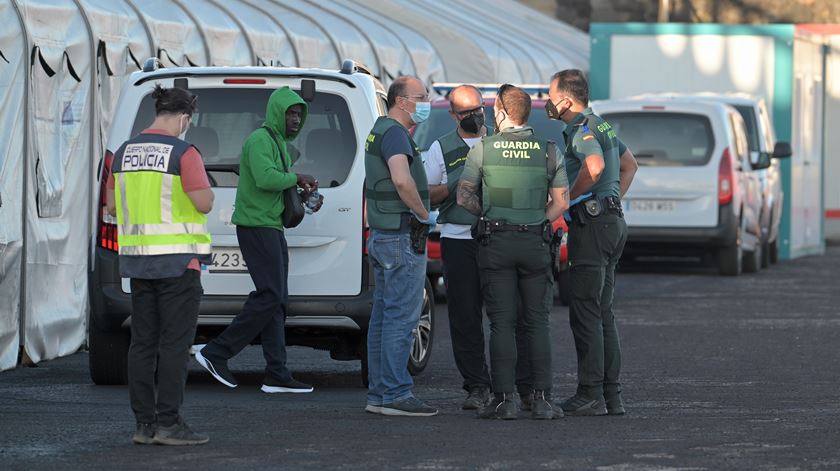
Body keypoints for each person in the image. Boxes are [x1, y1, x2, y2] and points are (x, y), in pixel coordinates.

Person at [107, 85, 213, 445]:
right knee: (174, 345)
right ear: (184, 118)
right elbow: (204, 203)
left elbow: (112, 208)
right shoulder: (184, 152)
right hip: (179, 264)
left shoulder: (123, 153)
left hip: (138, 264)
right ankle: (169, 424)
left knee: (142, 344)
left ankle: (143, 426)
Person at [196, 87, 319, 395]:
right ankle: (216, 352)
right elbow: (266, 178)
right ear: (277, 113)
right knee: (269, 295)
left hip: (271, 226)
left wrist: (297, 185)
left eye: (298, 115)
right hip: (256, 227)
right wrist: (297, 178)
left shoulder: (277, 142)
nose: (294, 120)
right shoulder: (259, 141)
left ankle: (276, 373)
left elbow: (275, 179)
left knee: (278, 301)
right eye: (290, 113)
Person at [457, 84, 569, 420]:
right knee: (537, 322)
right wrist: (537, 219)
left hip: (497, 244)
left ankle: (505, 400)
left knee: (501, 324)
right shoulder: (549, 150)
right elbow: (561, 201)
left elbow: (463, 197)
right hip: (535, 243)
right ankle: (543, 399)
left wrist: (489, 215)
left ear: (501, 113)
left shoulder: (483, 149)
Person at [545, 69, 638, 416]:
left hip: (593, 227)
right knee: (603, 312)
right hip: (611, 223)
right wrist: (612, 200)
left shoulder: (581, 129)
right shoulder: (602, 124)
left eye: (552, 97)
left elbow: (595, 167)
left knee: (585, 312)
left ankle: (590, 394)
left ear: (566, 100)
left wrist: (570, 196)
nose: (549, 104)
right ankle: (611, 395)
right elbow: (629, 165)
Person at [363, 76, 438, 417]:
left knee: (383, 315)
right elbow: (400, 179)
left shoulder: (380, 129)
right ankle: (395, 393)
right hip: (400, 235)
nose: (426, 102)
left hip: (383, 235)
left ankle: (380, 393)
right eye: (421, 96)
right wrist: (423, 214)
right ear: (401, 101)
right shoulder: (394, 134)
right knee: (400, 317)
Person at [422, 84, 491, 410]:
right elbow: (427, 193)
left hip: (496, 238)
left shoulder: (499, 142)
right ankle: (476, 386)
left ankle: (512, 385)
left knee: (506, 315)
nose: (474, 115)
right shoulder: (441, 147)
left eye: (478, 108)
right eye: (466, 112)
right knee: (465, 317)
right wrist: (458, 181)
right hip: (458, 238)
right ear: (453, 115)